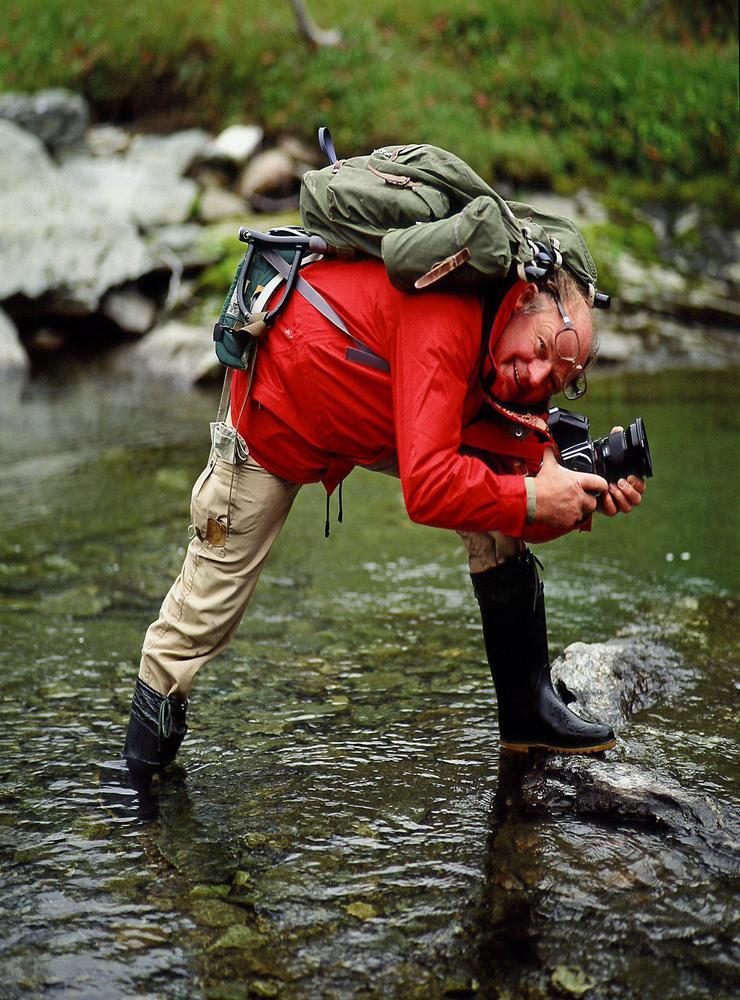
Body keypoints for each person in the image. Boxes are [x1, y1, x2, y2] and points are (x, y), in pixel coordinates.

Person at [122, 255, 645, 772]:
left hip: (369, 409)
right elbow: (429, 493)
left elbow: (518, 484)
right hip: (276, 408)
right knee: (203, 611)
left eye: (554, 378)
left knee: (499, 506)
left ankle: (528, 716)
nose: (533, 377)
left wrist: (579, 496)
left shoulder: (502, 342)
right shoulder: (448, 315)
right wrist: (536, 498)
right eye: (539, 351)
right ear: (526, 302)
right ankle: (141, 782)